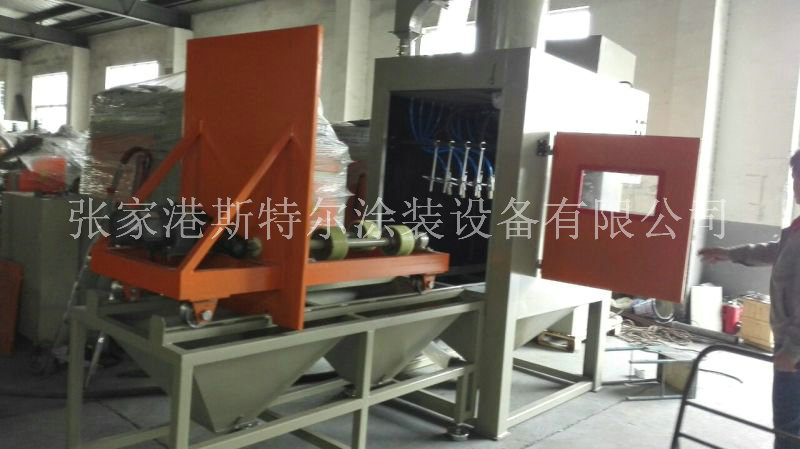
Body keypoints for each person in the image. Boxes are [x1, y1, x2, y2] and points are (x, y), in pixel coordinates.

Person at [700, 150, 800, 449]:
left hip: (795, 352)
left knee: (790, 429)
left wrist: (793, 350)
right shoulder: (797, 228)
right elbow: (773, 251)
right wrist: (730, 254)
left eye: (797, 176)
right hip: (788, 344)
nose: (794, 184)